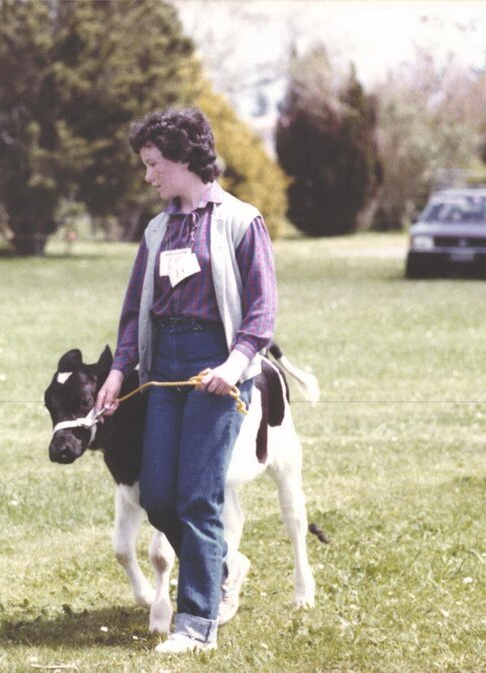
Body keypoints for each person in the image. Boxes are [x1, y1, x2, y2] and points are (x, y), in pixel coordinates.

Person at [95, 108, 277, 654]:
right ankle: (222, 566)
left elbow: (262, 314)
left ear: (184, 160)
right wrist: (119, 371)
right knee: (156, 494)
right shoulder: (156, 230)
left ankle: (196, 625)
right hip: (161, 372)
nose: (148, 176)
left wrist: (232, 366)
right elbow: (135, 315)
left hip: (217, 368)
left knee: (198, 495)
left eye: (154, 165)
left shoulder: (242, 222)